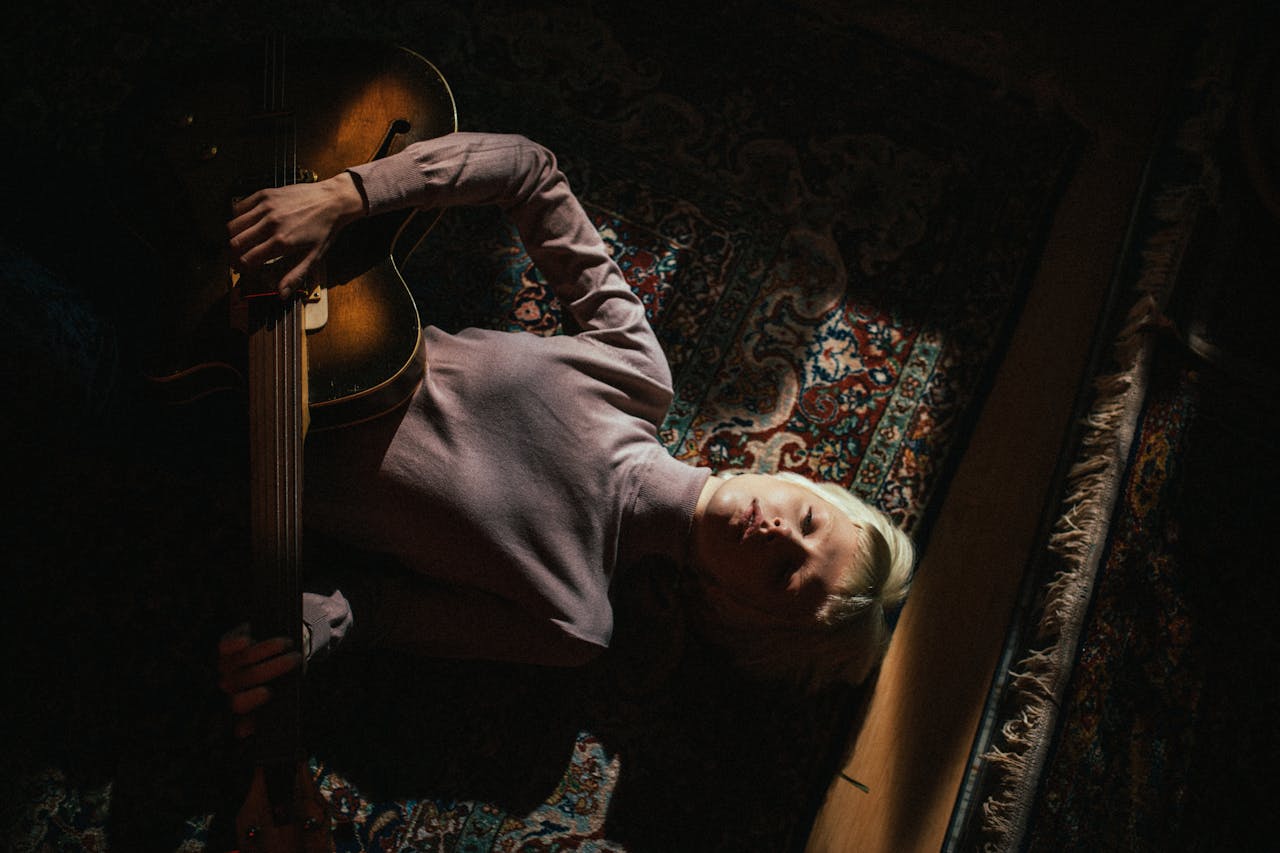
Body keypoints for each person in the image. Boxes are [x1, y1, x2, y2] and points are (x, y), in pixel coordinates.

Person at [217, 132, 913, 735]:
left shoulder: (572, 620)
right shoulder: (637, 374)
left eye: (785, 573)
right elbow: (528, 171)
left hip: (218, 446)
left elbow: (372, 609)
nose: (781, 535)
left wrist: (299, 633)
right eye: (810, 522)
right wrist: (344, 197)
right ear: (794, 480)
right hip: (282, 294)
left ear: (737, 611)